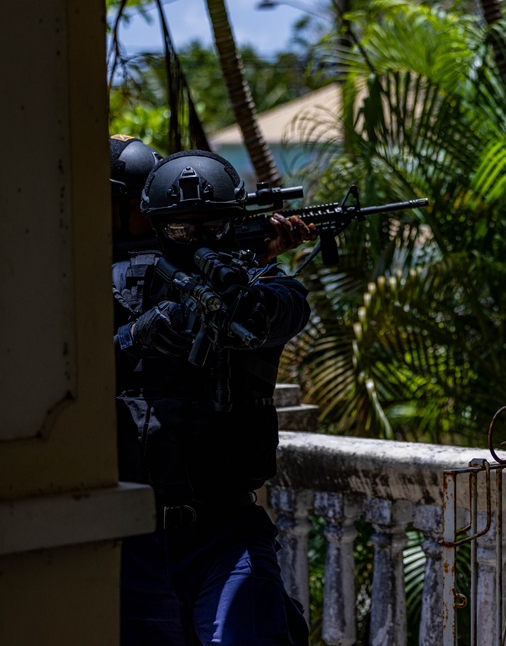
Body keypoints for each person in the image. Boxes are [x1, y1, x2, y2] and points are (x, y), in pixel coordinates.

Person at [109, 139, 315, 645]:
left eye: (212, 226)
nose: (196, 238)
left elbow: (280, 311)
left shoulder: (262, 282)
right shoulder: (116, 285)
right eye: (180, 228)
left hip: (224, 530)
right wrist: (136, 335)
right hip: (126, 538)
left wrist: (239, 289)